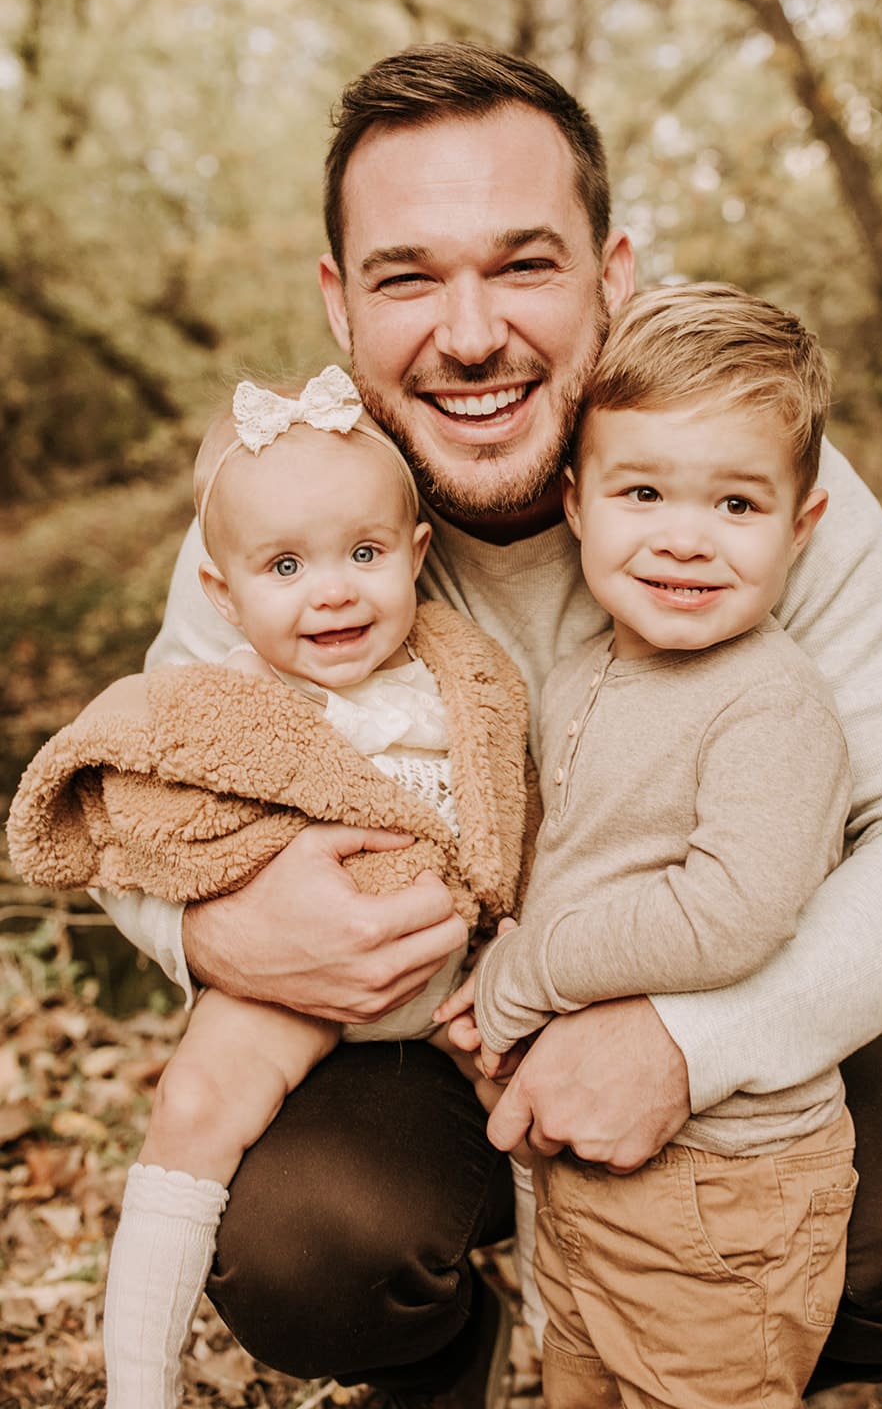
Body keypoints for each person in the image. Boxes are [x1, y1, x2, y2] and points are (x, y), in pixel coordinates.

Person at [91, 42, 882, 1406]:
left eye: (523, 263)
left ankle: (710, 1333)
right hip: (411, 1048)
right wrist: (212, 931)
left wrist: (689, 1037)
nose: (471, 331)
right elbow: (139, 803)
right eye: (408, 276)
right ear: (339, 304)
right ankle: (454, 1354)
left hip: (697, 981)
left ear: (610, 275)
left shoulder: (728, 478)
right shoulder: (284, 509)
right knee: (310, 1250)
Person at [8, 364, 531, 1409]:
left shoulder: (465, 674)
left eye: (364, 554)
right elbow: (141, 811)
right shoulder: (219, 703)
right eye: (284, 565)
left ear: (416, 558)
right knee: (196, 1099)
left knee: (542, 1118)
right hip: (290, 977)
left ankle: (569, 1338)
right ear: (222, 592)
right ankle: (140, 1388)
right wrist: (212, 911)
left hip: (460, 966)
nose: (331, 589)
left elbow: (508, 799)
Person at [436, 281, 859, 1407]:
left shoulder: (770, 704)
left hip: (724, 1180)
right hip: (588, 1161)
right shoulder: (587, 670)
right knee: (580, 1375)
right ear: (575, 505)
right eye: (641, 491)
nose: (683, 536)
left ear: (799, 525)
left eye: (734, 504)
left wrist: (523, 973)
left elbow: (727, 911)